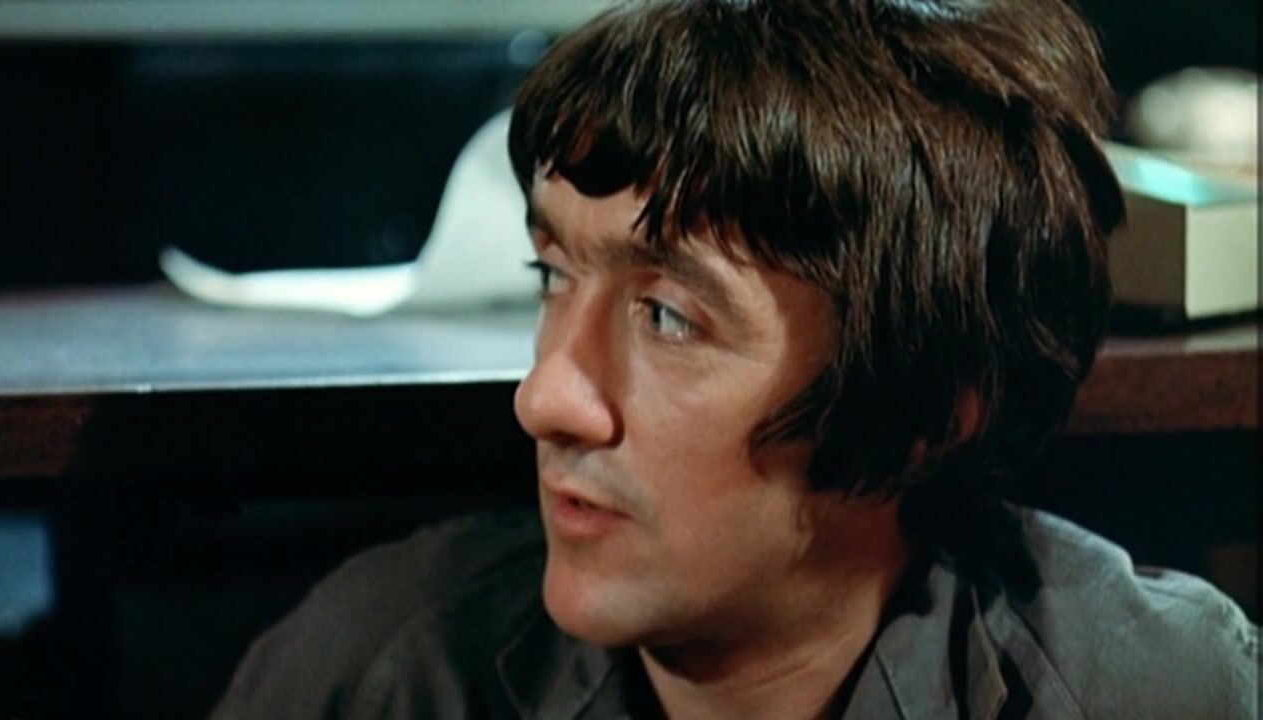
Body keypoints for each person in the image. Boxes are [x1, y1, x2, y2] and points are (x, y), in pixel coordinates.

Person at [211, 1, 1258, 718]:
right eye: (551, 275)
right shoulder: (379, 672)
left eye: (668, 317)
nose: (545, 398)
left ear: (924, 413)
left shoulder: (1152, 692)